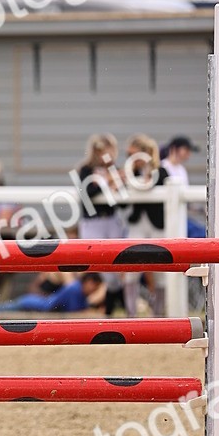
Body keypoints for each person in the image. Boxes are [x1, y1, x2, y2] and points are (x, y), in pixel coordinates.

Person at [75, 133, 126, 315]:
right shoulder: (86, 170)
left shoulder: (115, 169)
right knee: (100, 264)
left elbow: (124, 200)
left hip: (111, 220)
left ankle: (116, 307)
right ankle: (113, 301)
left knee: (118, 263)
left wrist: (119, 182)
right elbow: (88, 194)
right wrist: (107, 182)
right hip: (92, 222)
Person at [123, 133, 166, 317]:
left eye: (134, 154)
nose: (131, 159)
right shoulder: (128, 172)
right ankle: (131, 314)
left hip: (157, 225)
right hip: (137, 224)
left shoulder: (162, 172)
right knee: (130, 266)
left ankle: (158, 313)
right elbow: (123, 201)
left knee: (161, 270)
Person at [0, 272, 106, 313]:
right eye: (95, 285)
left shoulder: (76, 289)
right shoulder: (75, 289)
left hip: (32, 302)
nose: (94, 289)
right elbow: (74, 311)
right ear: (89, 282)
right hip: (30, 304)